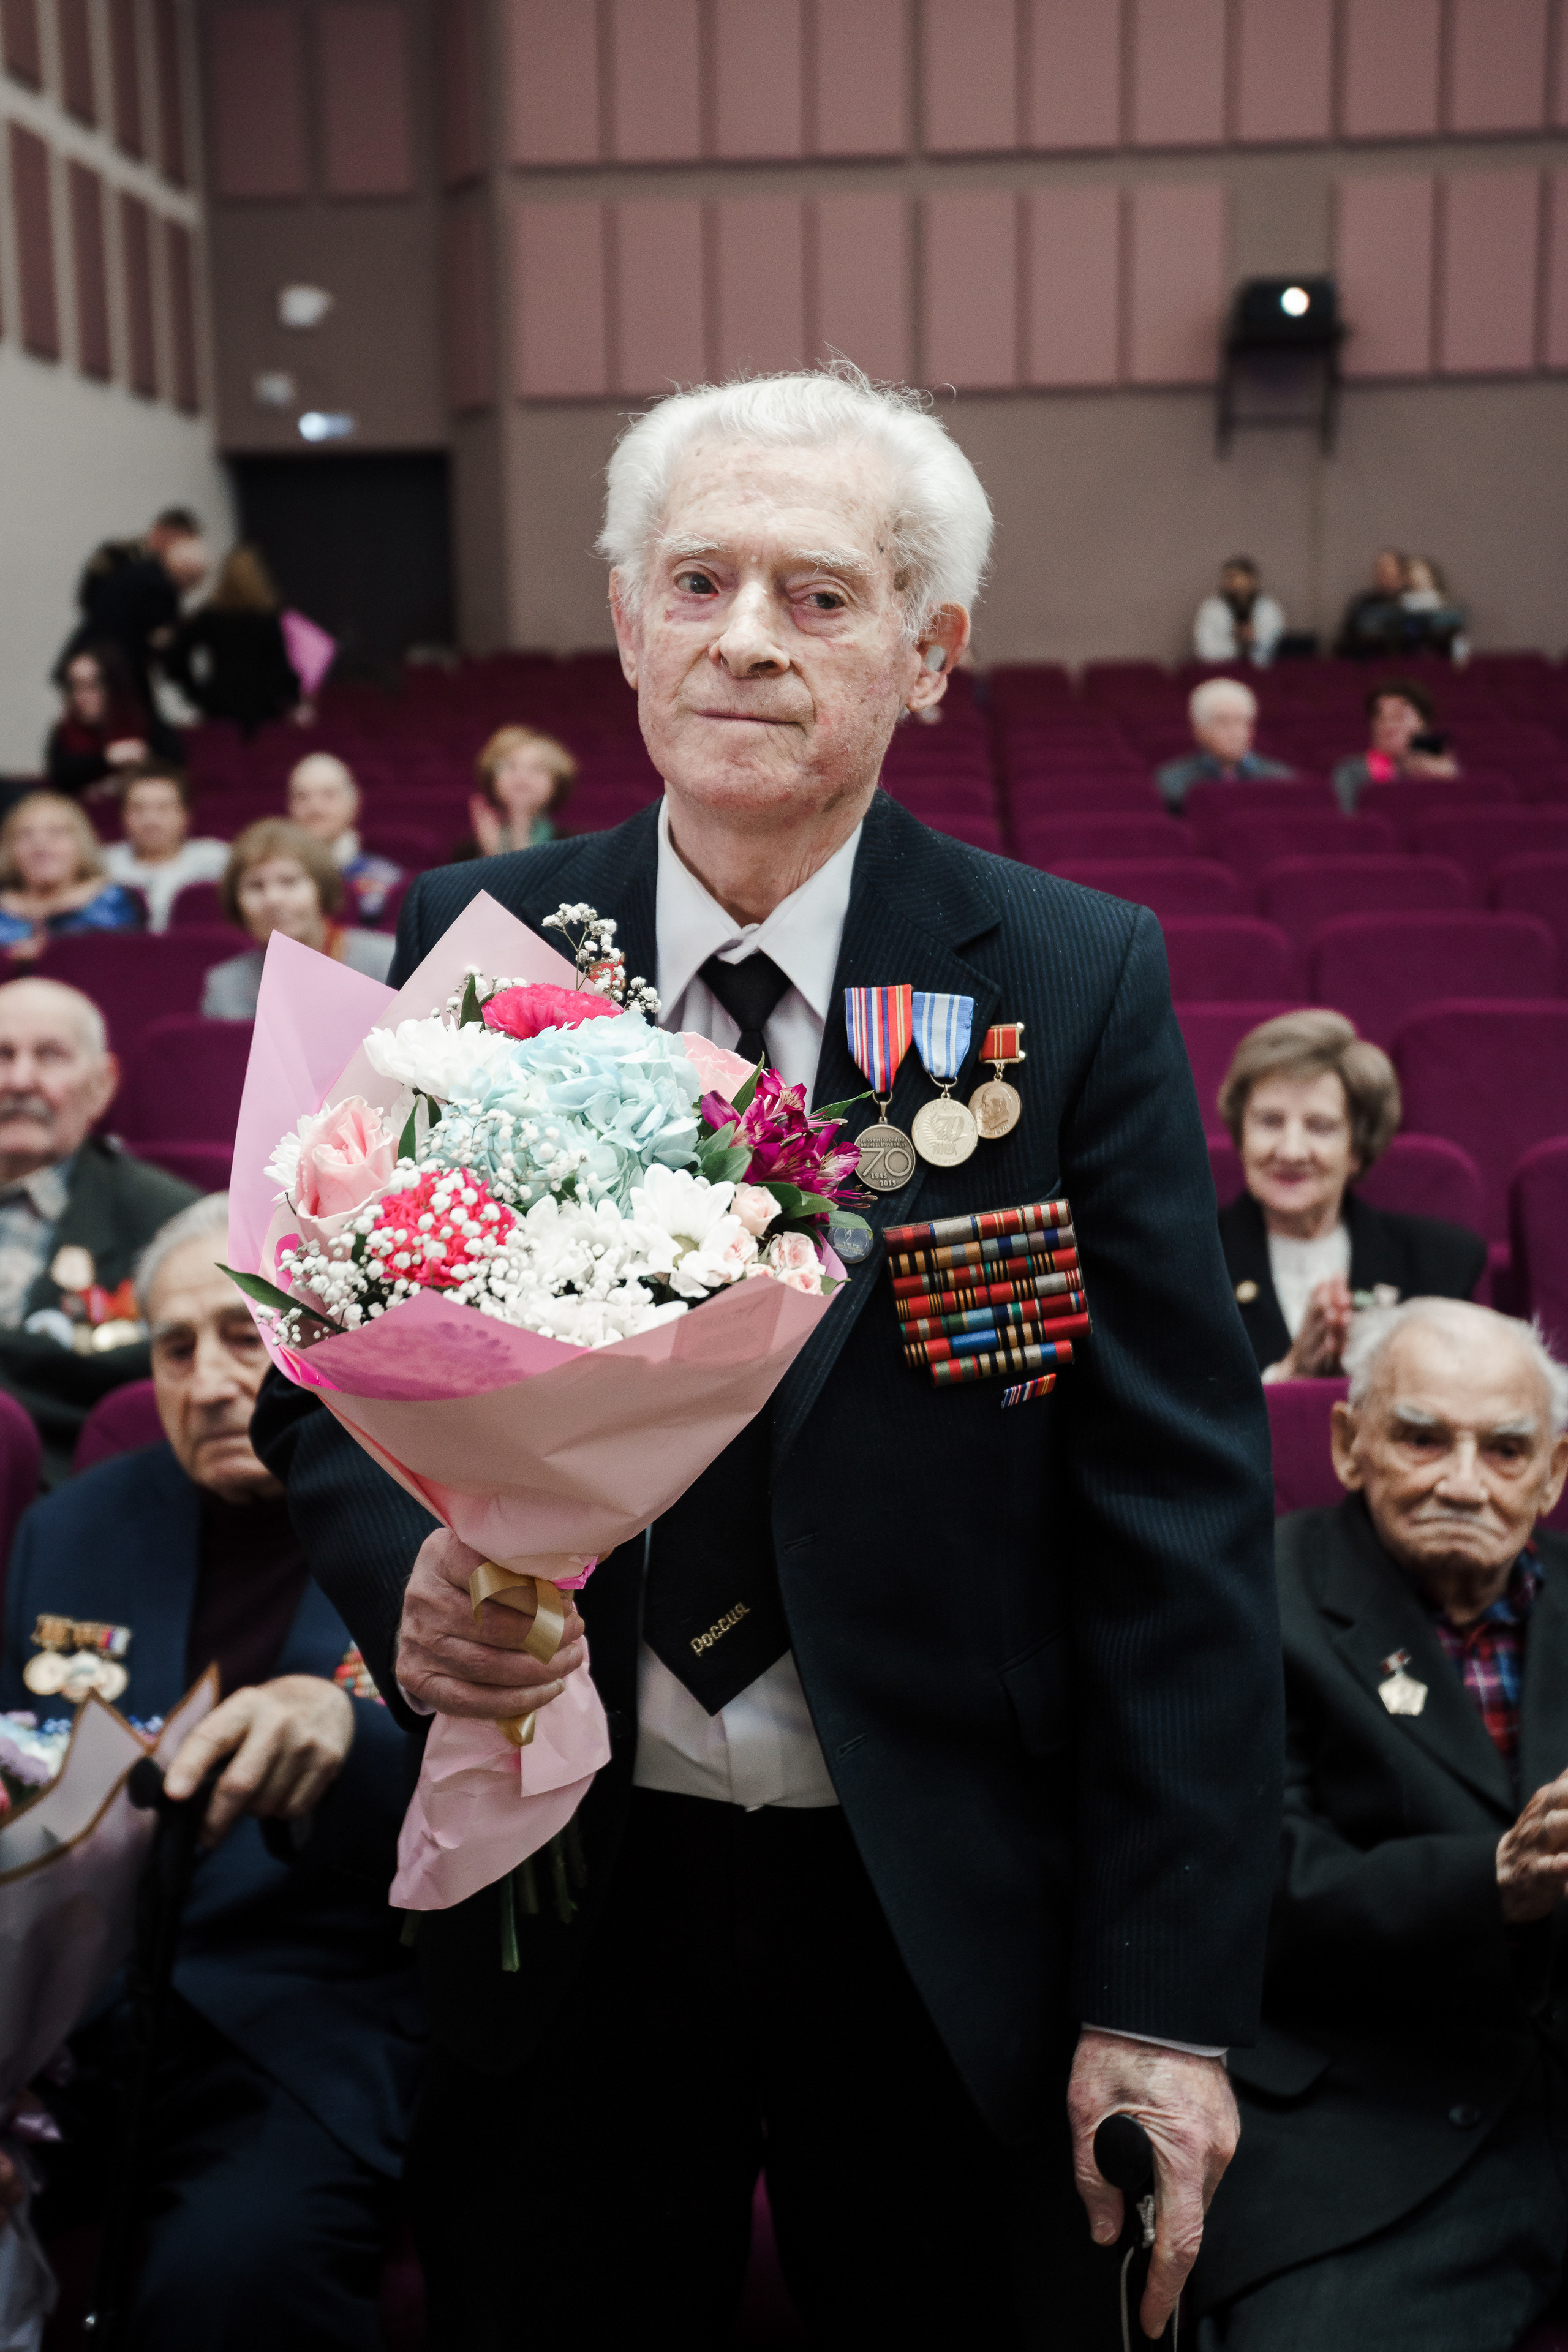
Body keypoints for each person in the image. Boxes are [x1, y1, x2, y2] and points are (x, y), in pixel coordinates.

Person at [252, 364, 1281, 2348]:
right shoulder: (485, 934)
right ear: (628, 623)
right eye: (697, 581)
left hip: (942, 1912)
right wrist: (406, 1592)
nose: (743, 639)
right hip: (570, 1885)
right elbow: (334, 1358)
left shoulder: (1065, 983)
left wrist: (1159, 2003)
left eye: (819, 597)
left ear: (929, 654)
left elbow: (1176, 1530)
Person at [0, 1193, 424, 2351]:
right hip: (62, 2026)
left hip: (296, 2020)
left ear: (312, 1343)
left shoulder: (423, 1523)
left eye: (242, 1339)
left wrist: (351, 1740)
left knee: (228, 2284)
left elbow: (511, 1789)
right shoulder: (75, 1528)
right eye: (172, 1349)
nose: (201, 1382)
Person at [1190, 1297, 1568, 2352]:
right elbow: (1245, 1886)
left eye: (1504, 1449)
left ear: (1554, 1472)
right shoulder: (1249, 1598)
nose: (1462, 1481)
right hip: (1372, 2137)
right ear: (1350, 1444)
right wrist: (1494, 1883)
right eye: (1420, 1437)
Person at [1217, 1011, 1487, 1382]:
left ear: (1357, 1149)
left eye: (1320, 1127)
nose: (1292, 1151)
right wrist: (1284, 1378)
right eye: (1270, 1122)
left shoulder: (1438, 1264)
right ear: (1241, 1133)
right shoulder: (1188, 1260)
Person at [0, 976, 194, 1479]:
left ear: (101, 1084)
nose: (19, 1081)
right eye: (2, 1055)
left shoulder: (167, 1222)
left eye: (49, 1057)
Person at [202, 820, 394, 1020]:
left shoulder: (388, 961)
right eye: (256, 886)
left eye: (289, 881)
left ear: (322, 888)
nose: (273, 899)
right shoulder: (225, 987)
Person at [59, 508, 209, 705]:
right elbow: (89, 600)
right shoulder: (125, 558)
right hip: (109, 658)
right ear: (164, 532)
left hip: (108, 658)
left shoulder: (155, 573)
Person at [163, 545, 300, 737]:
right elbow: (280, 663)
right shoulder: (267, 617)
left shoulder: (211, 615)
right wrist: (293, 699)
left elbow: (175, 656)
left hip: (220, 704)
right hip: (263, 707)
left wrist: (196, 694)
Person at [0, 791, 145, 961]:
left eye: (55, 832)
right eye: (26, 835)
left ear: (81, 843)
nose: (40, 845)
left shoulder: (114, 900)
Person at [44, 642, 180, 799]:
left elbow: (175, 774)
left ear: (113, 686)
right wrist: (107, 758)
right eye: (73, 687)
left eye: (90, 686)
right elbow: (62, 779)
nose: (79, 697)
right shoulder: (65, 732)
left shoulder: (145, 726)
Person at [101, 764, 230, 931]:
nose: (150, 821)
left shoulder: (218, 860)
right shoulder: (100, 864)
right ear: (123, 816)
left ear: (185, 815)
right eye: (138, 809)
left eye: (163, 808)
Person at [287, 752, 403, 924]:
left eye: (329, 795)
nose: (315, 807)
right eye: (302, 797)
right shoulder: (271, 883)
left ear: (354, 802)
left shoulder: (388, 880)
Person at [1156, 677, 1295, 810]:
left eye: (1241, 722)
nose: (1234, 732)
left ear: (1252, 729)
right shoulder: (1172, 781)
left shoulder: (1282, 779)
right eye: (1223, 722)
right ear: (1199, 730)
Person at [1331, 677, 1460, 813]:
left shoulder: (1447, 769)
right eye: (1380, 718)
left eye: (1399, 716)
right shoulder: (1351, 771)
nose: (1388, 725)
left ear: (1423, 723)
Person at [467, 725, 577, 854]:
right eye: (511, 766)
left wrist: (520, 837)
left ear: (557, 783)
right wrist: (489, 855)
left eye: (538, 768)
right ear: (492, 778)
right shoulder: (468, 850)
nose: (522, 777)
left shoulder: (576, 845)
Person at [1193, 558, 1286, 668]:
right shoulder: (1212, 608)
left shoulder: (1269, 608)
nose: (1230, 582)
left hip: (1262, 675)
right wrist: (1236, 641)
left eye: (1235, 576)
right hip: (1222, 673)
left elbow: (1277, 648)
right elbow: (1204, 651)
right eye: (1227, 577)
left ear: (1251, 579)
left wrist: (1255, 637)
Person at [1333, 546, 1410, 660]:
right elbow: (1345, 640)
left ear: (1401, 572)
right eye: (1378, 567)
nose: (1381, 572)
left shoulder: (1414, 603)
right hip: (1368, 664)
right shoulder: (1362, 603)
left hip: (1408, 663)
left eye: (1387, 567)